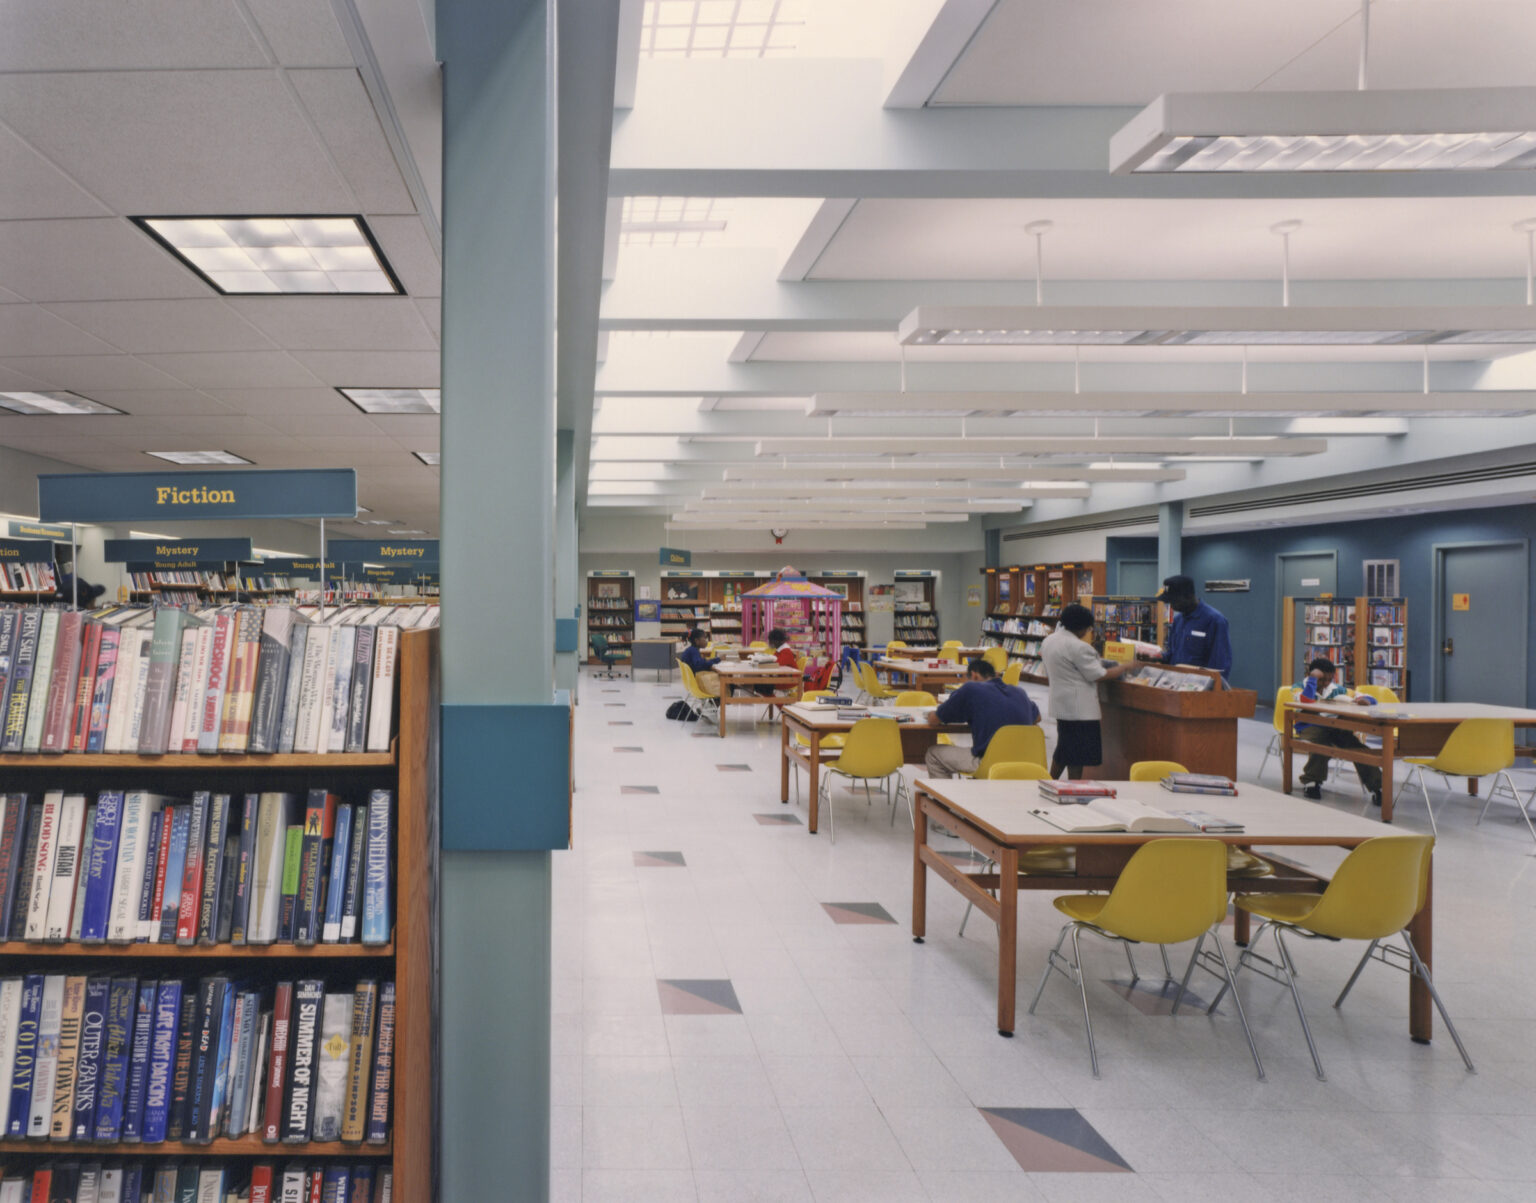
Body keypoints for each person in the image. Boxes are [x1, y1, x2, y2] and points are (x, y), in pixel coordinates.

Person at [1039, 603, 1131, 779]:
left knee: (1064, 748)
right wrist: (1126, 667)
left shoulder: (1049, 640)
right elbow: (1098, 674)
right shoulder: (1079, 647)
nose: (1088, 632)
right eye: (1088, 628)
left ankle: (1051, 781)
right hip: (1080, 709)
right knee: (1077, 756)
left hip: (1061, 704)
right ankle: (1074, 788)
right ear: (1081, 627)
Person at [924, 657, 1041, 778]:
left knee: (933, 754)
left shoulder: (971, 688)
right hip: (1025, 762)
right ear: (995, 675)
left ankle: (944, 796)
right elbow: (1037, 718)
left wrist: (928, 714)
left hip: (990, 763)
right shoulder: (1019, 692)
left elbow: (934, 720)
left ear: (974, 676)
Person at [1291, 657, 1382, 807]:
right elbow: (1305, 700)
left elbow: (1371, 699)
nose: (1326, 684)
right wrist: (1313, 680)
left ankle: (1378, 787)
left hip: (1335, 727)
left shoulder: (1338, 690)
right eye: (1322, 680)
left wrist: (1366, 700)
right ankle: (1312, 782)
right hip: (1308, 726)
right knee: (1321, 745)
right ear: (1310, 675)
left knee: (1357, 748)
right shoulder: (1299, 687)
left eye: (1329, 679)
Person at [1157, 574, 1232, 678]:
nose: (1171, 606)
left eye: (1173, 601)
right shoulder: (1178, 621)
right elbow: (1172, 655)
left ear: (1188, 596)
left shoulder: (1214, 620)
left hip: (1198, 688)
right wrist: (1156, 657)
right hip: (1176, 684)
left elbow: (1220, 665)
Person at [755, 628, 799, 696]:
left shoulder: (786, 652)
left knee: (760, 685)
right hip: (783, 677)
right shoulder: (780, 650)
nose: (770, 643)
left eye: (771, 640)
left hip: (789, 680)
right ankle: (770, 701)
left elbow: (776, 664)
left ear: (777, 641)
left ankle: (774, 703)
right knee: (759, 683)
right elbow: (774, 662)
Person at [678, 628, 722, 697]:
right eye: (704, 639)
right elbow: (699, 664)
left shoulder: (691, 649)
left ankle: (715, 702)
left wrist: (710, 662)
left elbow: (701, 662)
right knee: (723, 682)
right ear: (697, 641)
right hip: (697, 682)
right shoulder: (694, 651)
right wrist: (717, 660)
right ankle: (719, 700)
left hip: (692, 682)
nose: (707, 641)